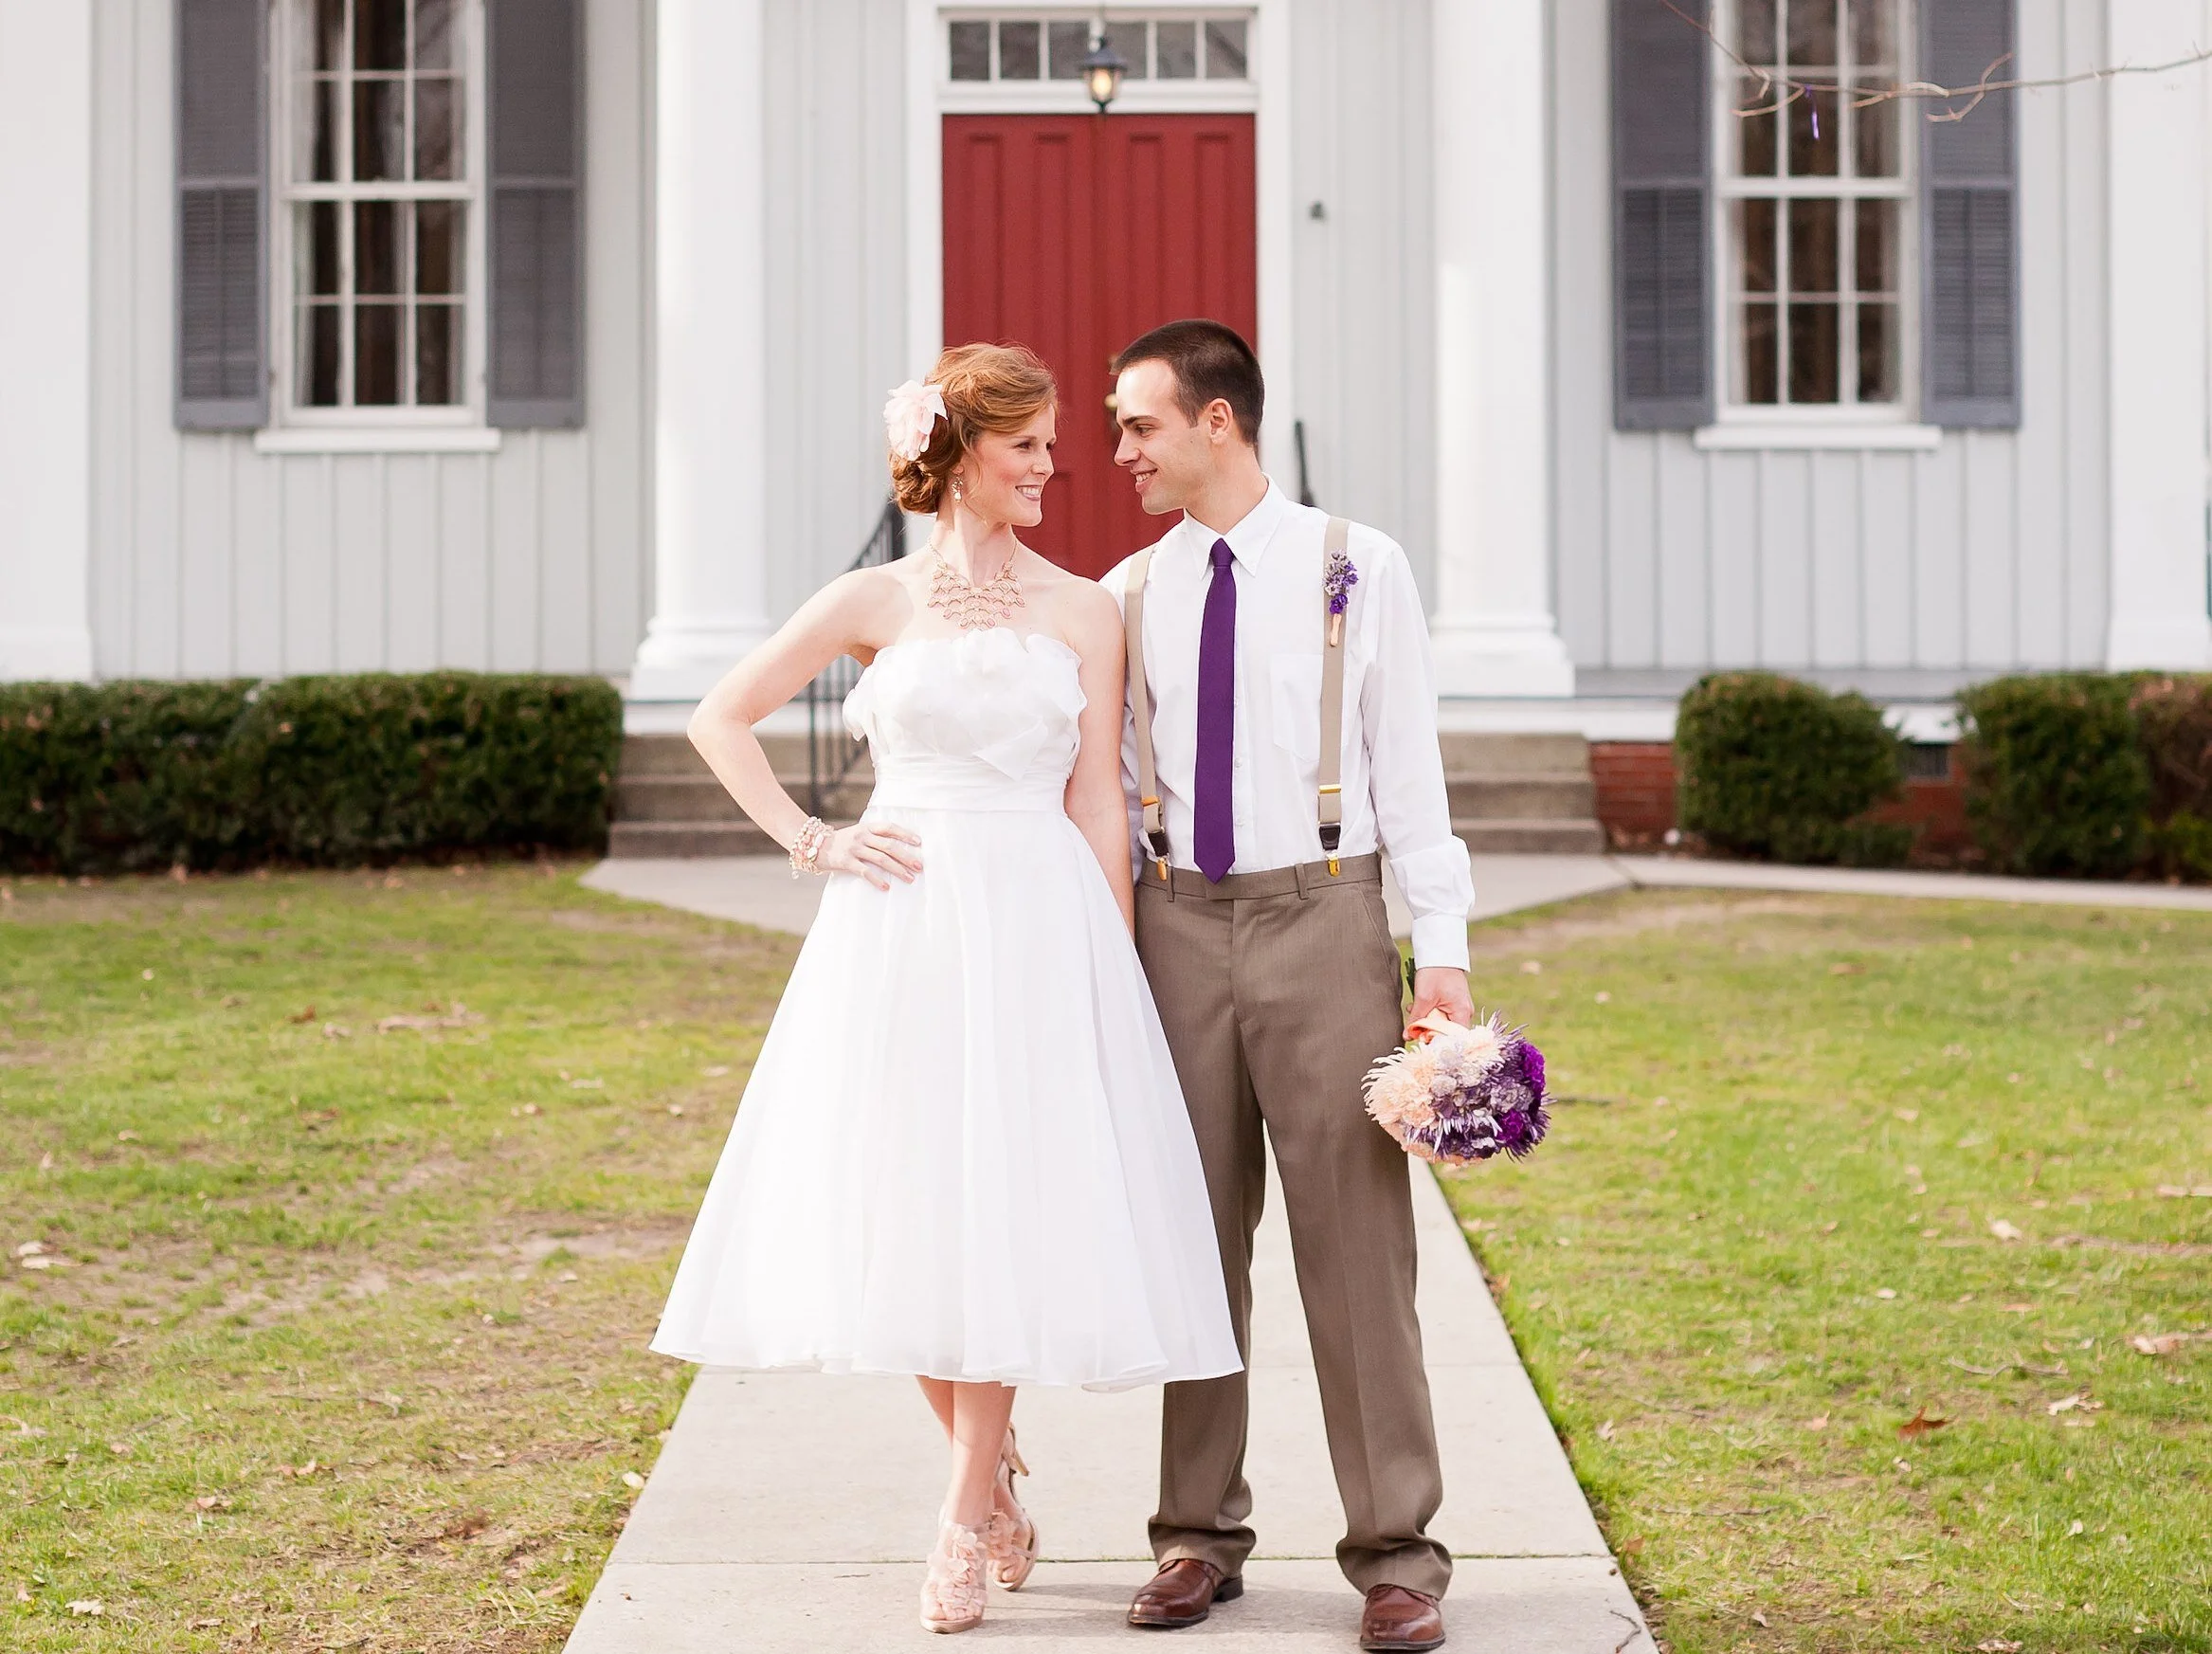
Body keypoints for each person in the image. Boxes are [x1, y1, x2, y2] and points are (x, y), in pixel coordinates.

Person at [649, 342, 1241, 1636]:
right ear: (962, 453)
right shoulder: (873, 597)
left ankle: (964, 1515)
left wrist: (1114, 962)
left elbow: (1097, 798)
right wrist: (812, 840)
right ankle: (996, 1475)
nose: (1051, 465)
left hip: (1040, 925)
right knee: (911, 1205)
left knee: (1008, 1212)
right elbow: (720, 717)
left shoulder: (1086, 608)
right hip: (898, 924)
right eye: (1026, 445)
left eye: (1050, 445)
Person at [1105, 319, 1473, 1654]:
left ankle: (1395, 1553)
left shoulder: (1352, 568)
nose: (1120, 450)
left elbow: (1411, 773)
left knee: (1355, 1245)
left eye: (1139, 425)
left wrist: (1442, 957)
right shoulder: (1125, 592)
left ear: (1218, 422)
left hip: (1324, 921)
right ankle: (1194, 1535)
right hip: (1174, 928)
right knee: (1189, 1242)